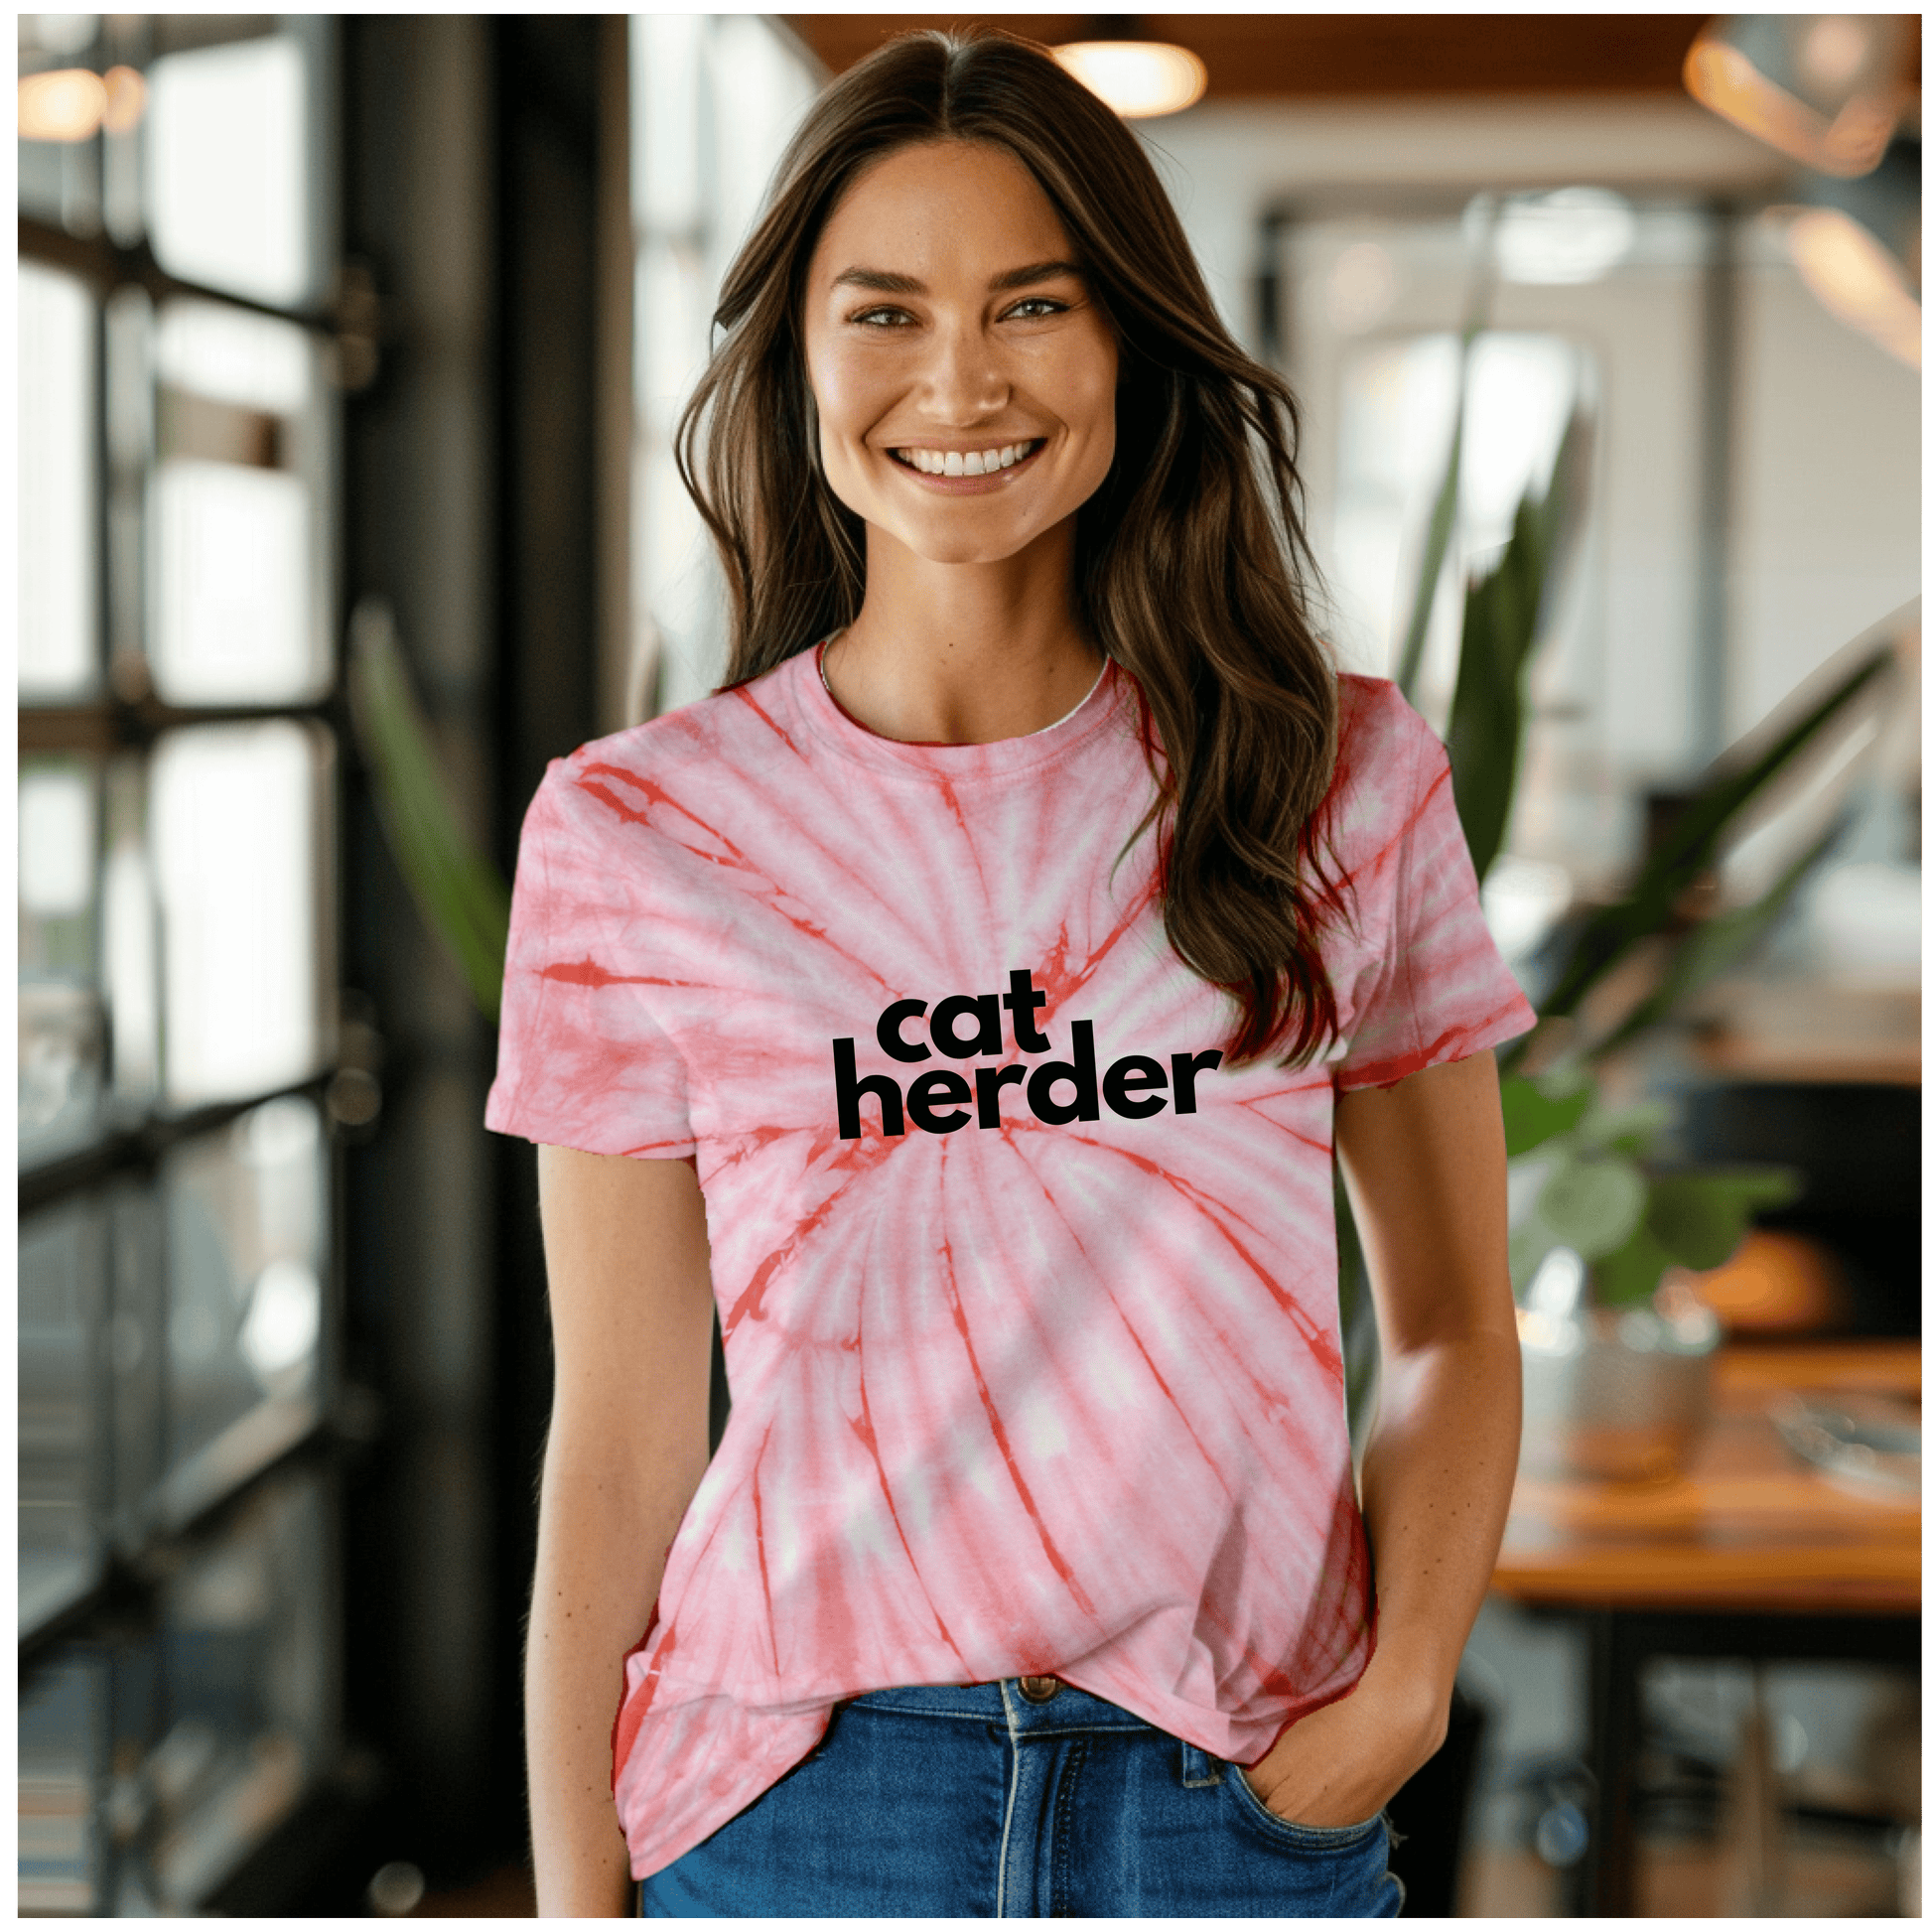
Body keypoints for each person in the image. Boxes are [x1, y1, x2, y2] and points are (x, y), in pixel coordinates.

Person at [488, 28, 1533, 1921]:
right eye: (881, 313)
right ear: (797, 361)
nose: (957, 379)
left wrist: (1398, 1698)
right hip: (793, 1805)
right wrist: (574, 1886)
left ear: (1127, 339)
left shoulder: (1340, 782)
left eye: (1030, 305)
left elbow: (1455, 1322)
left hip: (1233, 1796)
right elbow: (624, 1426)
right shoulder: (638, 835)